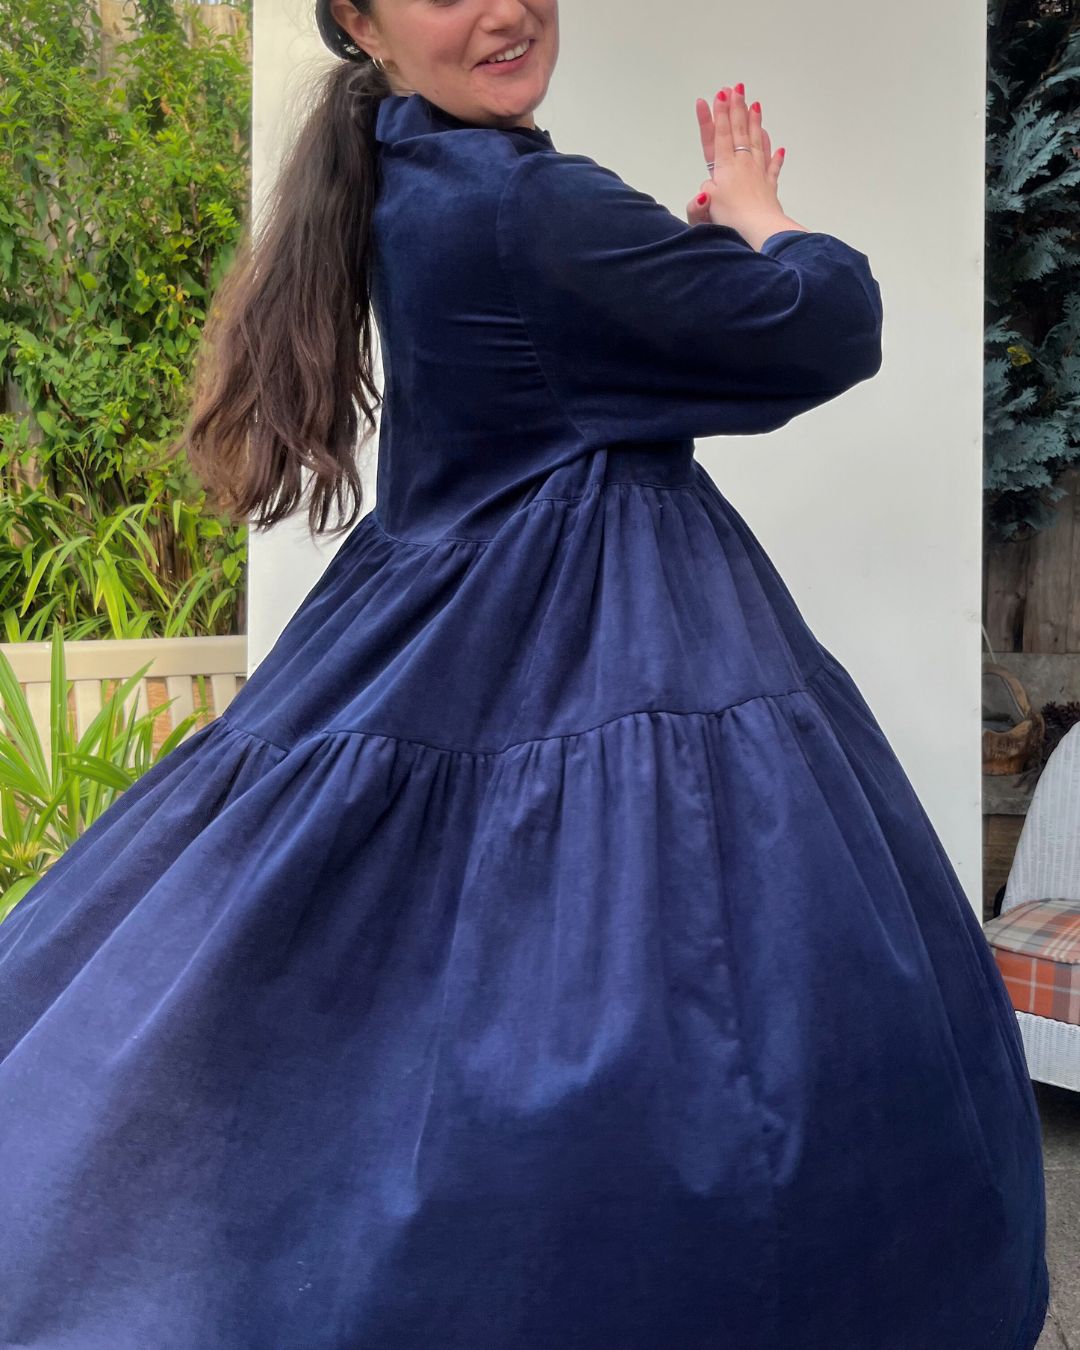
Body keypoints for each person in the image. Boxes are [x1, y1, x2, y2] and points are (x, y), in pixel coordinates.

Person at [0, 2, 1050, 1347]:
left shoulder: (412, 176)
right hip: (576, 626)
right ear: (365, 26)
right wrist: (759, 214)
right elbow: (820, 326)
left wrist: (680, 272)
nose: (504, 6)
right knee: (687, 1033)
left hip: (452, 611)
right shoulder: (522, 205)